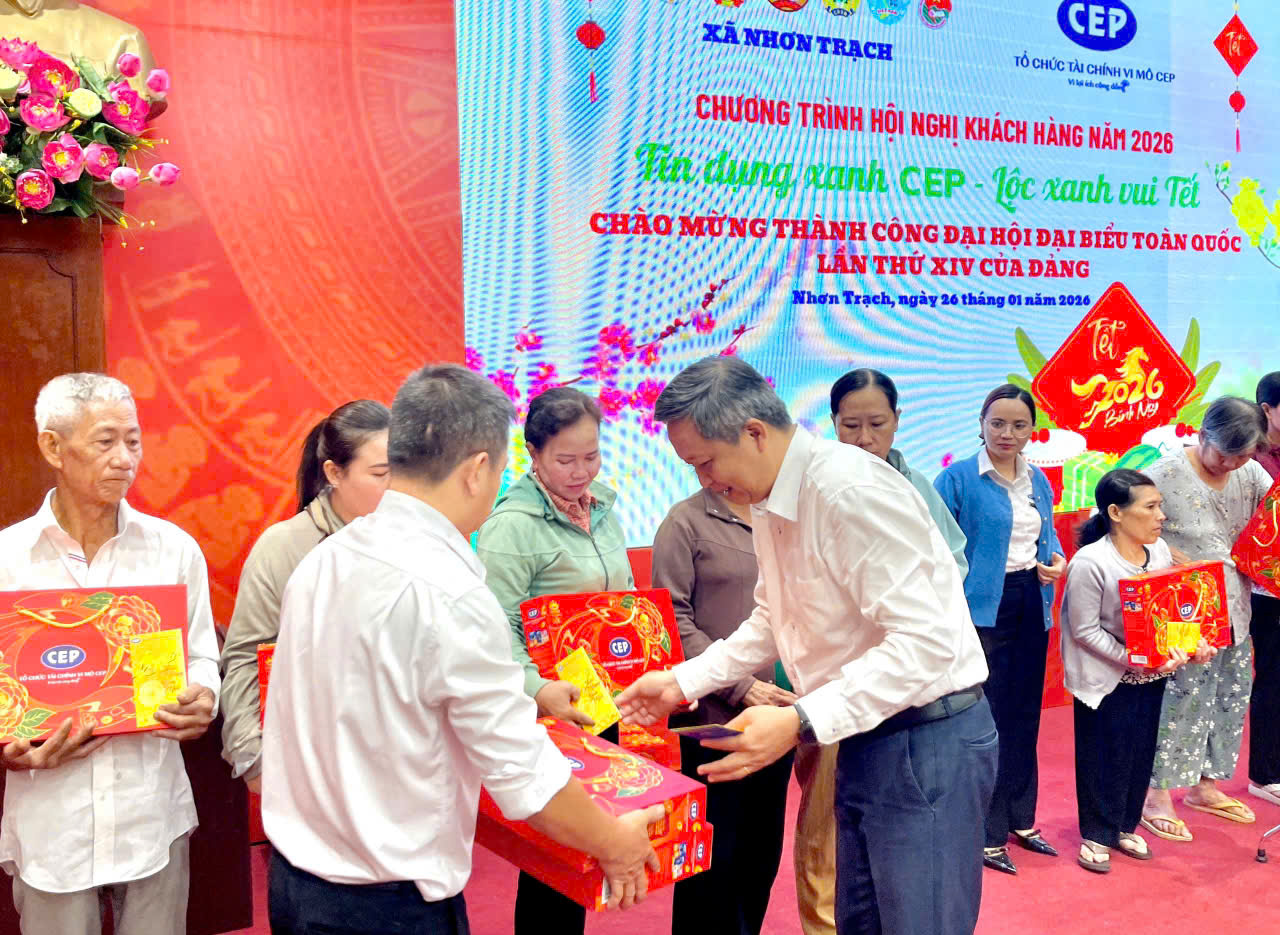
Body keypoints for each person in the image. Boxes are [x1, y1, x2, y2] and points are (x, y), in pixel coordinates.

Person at [261, 364, 662, 935]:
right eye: (499, 470)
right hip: (386, 907)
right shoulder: (450, 591)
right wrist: (615, 844)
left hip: (296, 884)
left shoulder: (326, 558)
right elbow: (523, 774)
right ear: (477, 470)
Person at [617, 355, 996, 935]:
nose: (706, 482)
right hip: (869, 735)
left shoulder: (847, 490)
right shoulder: (773, 499)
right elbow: (774, 617)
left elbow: (926, 642)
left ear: (754, 433)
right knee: (860, 921)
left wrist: (799, 720)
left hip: (927, 741)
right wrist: (682, 681)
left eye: (705, 462)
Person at [0, 373, 220, 935]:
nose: (125, 459)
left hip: (152, 811)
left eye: (133, 440)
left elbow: (200, 656)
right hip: (53, 822)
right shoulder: (9, 559)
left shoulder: (172, 550)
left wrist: (204, 696)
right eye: (105, 441)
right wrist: (11, 752)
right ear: (54, 447)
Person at [776, 367, 973, 934]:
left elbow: (951, 566)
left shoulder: (914, 487)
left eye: (877, 425)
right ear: (832, 423)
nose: (864, 439)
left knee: (897, 844)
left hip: (904, 687)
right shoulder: (815, 488)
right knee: (826, 818)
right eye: (850, 425)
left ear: (897, 421)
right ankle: (821, 924)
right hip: (832, 685)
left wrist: (902, 607)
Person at [475, 386, 633, 935]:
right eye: (566, 460)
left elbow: (623, 599)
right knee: (555, 857)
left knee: (590, 847)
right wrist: (537, 688)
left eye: (592, 456)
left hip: (606, 697)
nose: (581, 471)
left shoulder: (604, 507)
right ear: (535, 454)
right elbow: (495, 628)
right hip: (551, 705)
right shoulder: (511, 526)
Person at [220, 400, 390, 793]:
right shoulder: (285, 547)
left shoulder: (416, 541)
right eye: (381, 474)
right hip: (313, 767)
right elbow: (246, 656)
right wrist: (253, 758)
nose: (396, 486)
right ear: (334, 473)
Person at [934, 383, 1066, 875]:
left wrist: (1056, 560)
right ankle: (984, 831)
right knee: (984, 720)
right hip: (979, 611)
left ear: (1032, 430)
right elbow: (936, 547)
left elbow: (1047, 537)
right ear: (981, 424)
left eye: (1018, 425)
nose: (1007, 433)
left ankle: (1020, 819)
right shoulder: (957, 479)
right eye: (998, 423)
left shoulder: (1038, 479)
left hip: (1031, 599)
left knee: (1025, 715)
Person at [652, 486, 796, 935]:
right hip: (709, 718)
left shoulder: (779, 515)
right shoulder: (684, 522)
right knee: (713, 855)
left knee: (761, 851)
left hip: (778, 713)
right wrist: (741, 687)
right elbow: (670, 619)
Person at [1061, 470, 1216, 873]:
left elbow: (1171, 611)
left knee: (1139, 752)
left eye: (1159, 505)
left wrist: (1192, 646)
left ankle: (1125, 826)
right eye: (1150, 507)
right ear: (1116, 512)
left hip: (1152, 675)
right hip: (1105, 677)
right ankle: (1096, 834)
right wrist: (1133, 658)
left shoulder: (1159, 551)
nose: (1161, 515)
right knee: (1102, 754)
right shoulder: (1091, 562)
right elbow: (1083, 630)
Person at [1141, 397, 1273, 839]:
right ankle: (1155, 794)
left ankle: (1205, 786)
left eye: (1243, 455)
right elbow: (1118, 525)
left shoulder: (1251, 473)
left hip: (1236, 604)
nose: (1232, 464)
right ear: (1202, 436)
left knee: (1230, 695)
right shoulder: (1162, 475)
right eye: (1224, 454)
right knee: (1179, 698)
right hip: (1183, 607)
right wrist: (1164, 553)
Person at [1249, 372, 1280, 808]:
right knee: (1272, 678)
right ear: (1267, 409)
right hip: (1264, 585)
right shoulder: (1251, 460)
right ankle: (1265, 773)